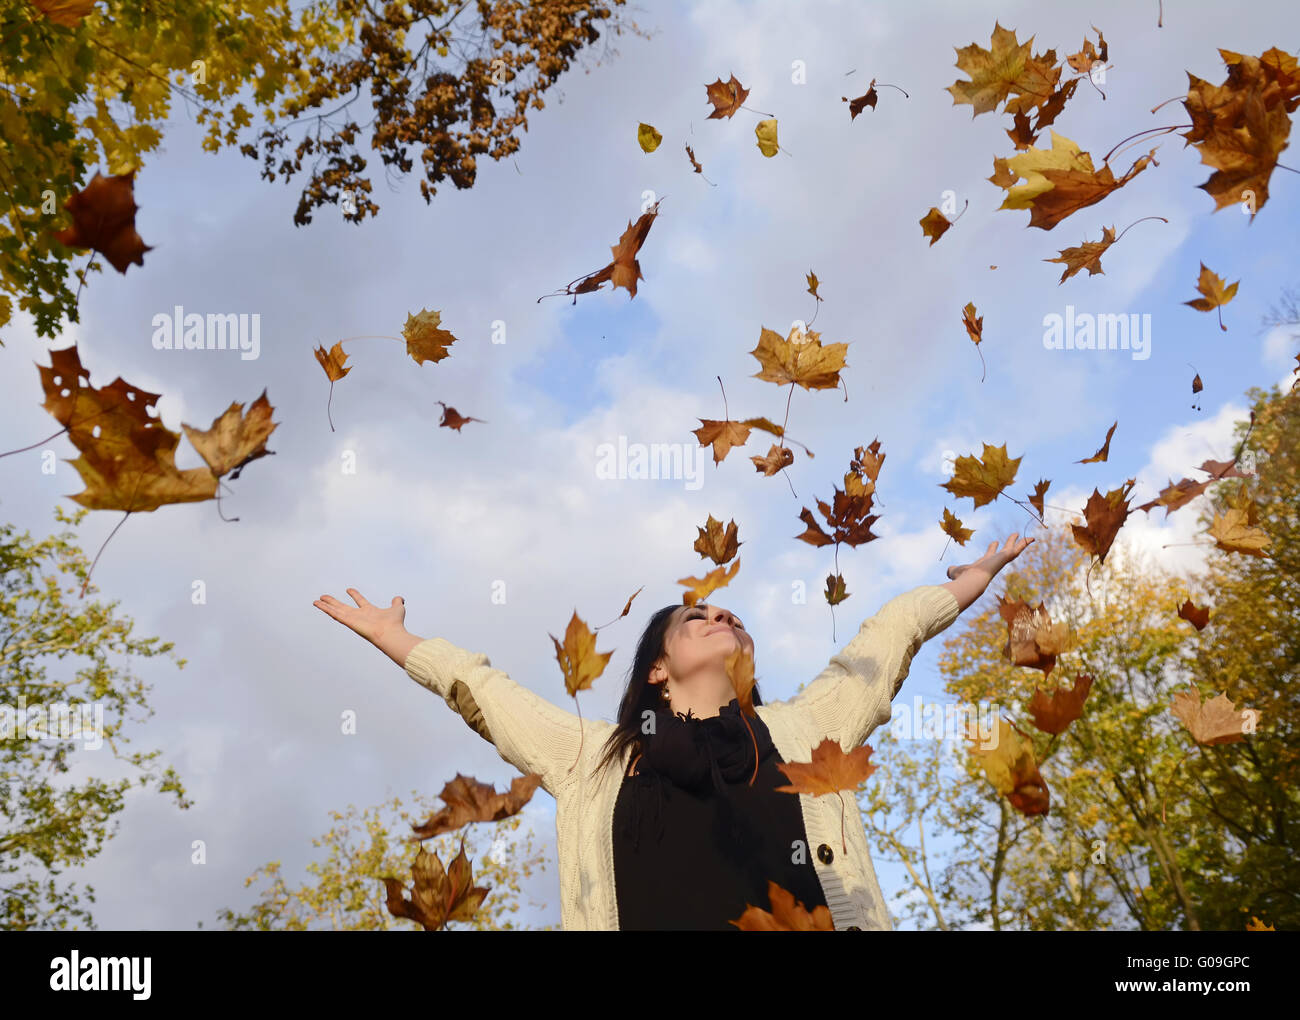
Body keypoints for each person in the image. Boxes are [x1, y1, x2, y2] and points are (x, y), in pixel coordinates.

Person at [313, 534, 1034, 930]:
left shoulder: (811, 726)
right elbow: (489, 694)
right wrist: (398, 639)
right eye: (698, 618)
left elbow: (888, 637)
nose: (723, 617)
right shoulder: (592, 756)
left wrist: (971, 579)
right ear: (657, 668)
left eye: (731, 617)